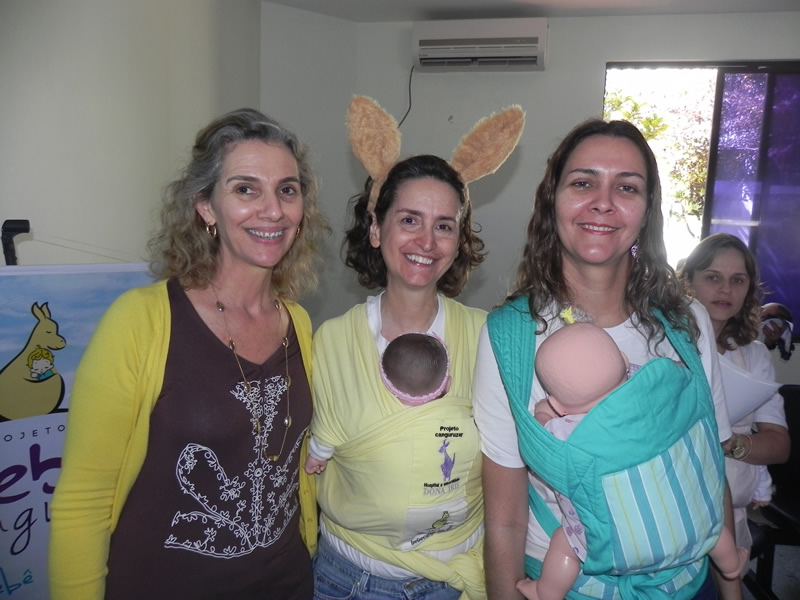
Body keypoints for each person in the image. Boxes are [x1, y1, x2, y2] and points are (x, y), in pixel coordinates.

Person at [49, 108, 328, 599]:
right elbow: (82, 504)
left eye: (287, 190)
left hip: (286, 584)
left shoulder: (299, 324)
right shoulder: (139, 322)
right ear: (205, 206)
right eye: (245, 189)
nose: (273, 210)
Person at [473, 118, 736, 600]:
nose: (603, 201)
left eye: (627, 187)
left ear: (646, 211)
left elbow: (710, 472)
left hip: (687, 584)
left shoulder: (687, 323)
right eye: (583, 183)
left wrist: (732, 589)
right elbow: (505, 519)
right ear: (552, 200)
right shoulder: (509, 338)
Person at [310, 96, 524, 600]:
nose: (427, 241)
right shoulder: (331, 341)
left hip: (452, 581)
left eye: (444, 225)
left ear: (458, 239)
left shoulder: (488, 338)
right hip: (346, 580)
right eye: (409, 220)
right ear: (375, 227)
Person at [515, 322, 748, 600]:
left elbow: (541, 444)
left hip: (614, 550)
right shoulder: (654, 398)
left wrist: (544, 412)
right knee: (712, 527)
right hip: (690, 529)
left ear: (559, 405)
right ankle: (731, 564)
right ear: (626, 362)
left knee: (564, 545)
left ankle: (546, 592)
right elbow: (671, 374)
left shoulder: (567, 434)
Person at [680, 233, 790, 575]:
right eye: (713, 277)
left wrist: (729, 442)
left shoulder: (754, 355)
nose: (726, 289)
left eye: (737, 280)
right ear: (688, 283)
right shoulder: (662, 342)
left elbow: (779, 446)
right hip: (674, 508)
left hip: (733, 514)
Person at [305, 332, 451, 475]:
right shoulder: (447, 417)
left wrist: (318, 456)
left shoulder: (362, 409)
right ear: (447, 385)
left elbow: (330, 430)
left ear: (382, 378)